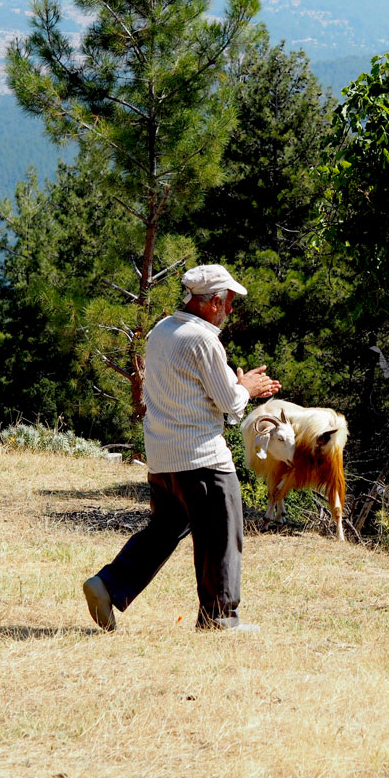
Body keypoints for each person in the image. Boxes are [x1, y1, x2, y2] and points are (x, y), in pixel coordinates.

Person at [82, 264, 281, 632]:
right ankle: (220, 618)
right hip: (203, 458)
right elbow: (230, 405)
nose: (231, 311)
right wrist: (247, 387)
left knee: (164, 530)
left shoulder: (161, 332)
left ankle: (108, 585)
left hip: (163, 458)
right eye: (229, 303)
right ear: (213, 303)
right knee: (222, 535)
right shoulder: (204, 340)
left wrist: (233, 387)